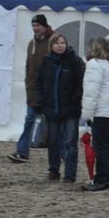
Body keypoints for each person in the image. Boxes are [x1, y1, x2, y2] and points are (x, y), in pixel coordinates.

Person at [34, 32, 84, 184]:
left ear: (66, 44)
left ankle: (70, 175)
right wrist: (41, 101)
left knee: (70, 143)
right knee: (53, 141)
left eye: (62, 43)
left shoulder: (75, 60)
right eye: (57, 43)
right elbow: (39, 82)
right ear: (52, 45)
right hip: (52, 110)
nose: (60, 45)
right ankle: (54, 170)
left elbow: (81, 82)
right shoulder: (46, 61)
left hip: (71, 110)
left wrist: (75, 99)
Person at [81, 36, 109, 192]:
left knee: (100, 146)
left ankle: (101, 179)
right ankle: (108, 178)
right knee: (108, 146)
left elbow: (91, 92)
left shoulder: (94, 64)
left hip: (101, 112)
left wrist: (87, 114)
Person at [8, 14, 54, 163]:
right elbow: (29, 66)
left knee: (54, 125)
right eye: (33, 26)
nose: (35, 28)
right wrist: (28, 84)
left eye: (38, 25)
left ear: (44, 26)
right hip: (33, 91)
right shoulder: (31, 43)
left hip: (49, 92)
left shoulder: (54, 41)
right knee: (29, 121)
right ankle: (22, 152)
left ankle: (60, 154)